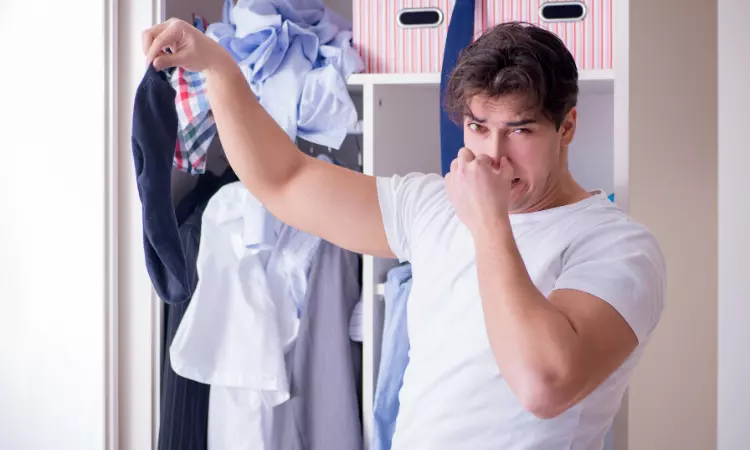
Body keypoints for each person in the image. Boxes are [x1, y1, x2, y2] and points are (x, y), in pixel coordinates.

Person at [143, 19, 666, 450]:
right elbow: (285, 180)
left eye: (520, 130)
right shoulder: (432, 205)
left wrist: (488, 222)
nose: (494, 155)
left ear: (567, 127)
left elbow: (543, 386)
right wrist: (216, 66)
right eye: (479, 127)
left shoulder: (619, 247)